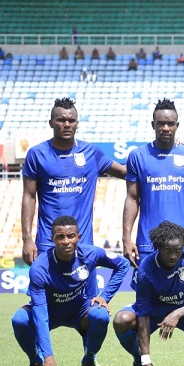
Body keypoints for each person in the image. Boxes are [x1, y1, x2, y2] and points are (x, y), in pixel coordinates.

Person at [121, 99, 184, 366]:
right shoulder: (138, 156)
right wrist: (126, 237)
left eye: (171, 123)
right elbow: (132, 198)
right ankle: (141, 360)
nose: (166, 127)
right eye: (161, 123)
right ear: (153, 125)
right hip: (148, 246)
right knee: (143, 307)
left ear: (177, 125)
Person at [11, 216, 130, 366]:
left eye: (71, 236)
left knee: (101, 316)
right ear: (53, 239)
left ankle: (88, 360)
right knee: (19, 319)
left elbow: (123, 264)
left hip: (79, 312)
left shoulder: (90, 253)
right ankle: (35, 361)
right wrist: (49, 358)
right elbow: (41, 314)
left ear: (78, 237)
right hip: (50, 312)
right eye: (60, 237)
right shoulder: (40, 268)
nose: (66, 241)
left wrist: (105, 296)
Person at [22, 97, 126, 266]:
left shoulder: (90, 153)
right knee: (46, 292)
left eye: (71, 120)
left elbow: (124, 171)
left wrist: (168, 147)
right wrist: (27, 239)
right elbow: (29, 196)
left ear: (77, 123)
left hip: (83, 245)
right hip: (48, 244)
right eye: (61, 120)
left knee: (87, 293)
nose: (67, 124)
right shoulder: (36, 154)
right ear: (51, 123)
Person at [113, 221, 184, 366]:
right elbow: (143, 313)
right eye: (168, 250)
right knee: (121, 319)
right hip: (154, 312)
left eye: (178, 250)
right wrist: (146, 360)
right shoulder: (146, 269)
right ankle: (138, 361)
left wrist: (177, 314)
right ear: (158, 248)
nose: (173, 256)